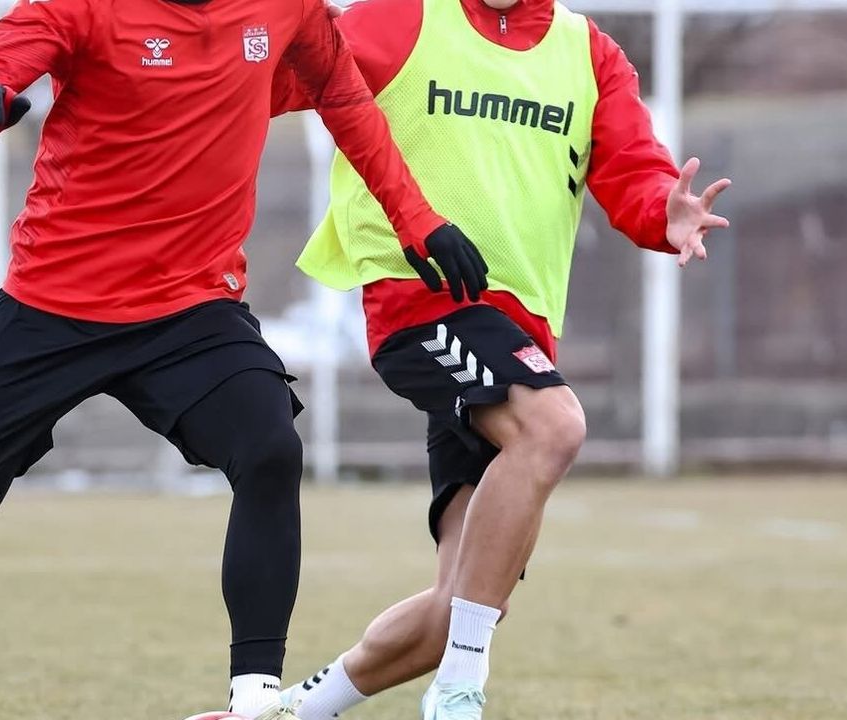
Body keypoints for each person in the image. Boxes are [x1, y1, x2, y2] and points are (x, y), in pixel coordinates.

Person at [0, 0, 490, 718]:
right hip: (51, 309)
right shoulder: (80, 6)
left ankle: (256, 699)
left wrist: (419, 221)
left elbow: (344, 98)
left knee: (268, 449)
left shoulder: (286, 7)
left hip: (190, 308)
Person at [269, 0, 731, 718]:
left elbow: (633, 169)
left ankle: (293, 711)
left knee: (463, 602)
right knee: (555, 426)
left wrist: (660, 213)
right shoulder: (398, 17)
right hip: (421, 299)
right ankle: (461, 687)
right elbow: (267, 80)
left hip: (520, 340)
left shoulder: (590, 53)